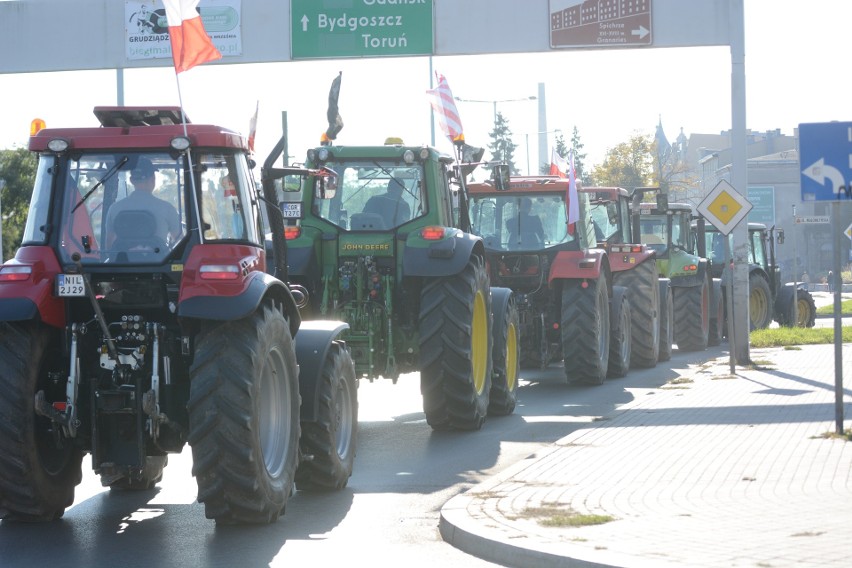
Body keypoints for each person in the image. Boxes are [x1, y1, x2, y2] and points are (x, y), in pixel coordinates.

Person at [106, 157, 181, 247]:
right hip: (158, 260)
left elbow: (109, 246)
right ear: (153, 179)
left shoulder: (114, 208)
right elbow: (180, 243)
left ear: (131, 180)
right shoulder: (167, 208)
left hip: (123, 260)